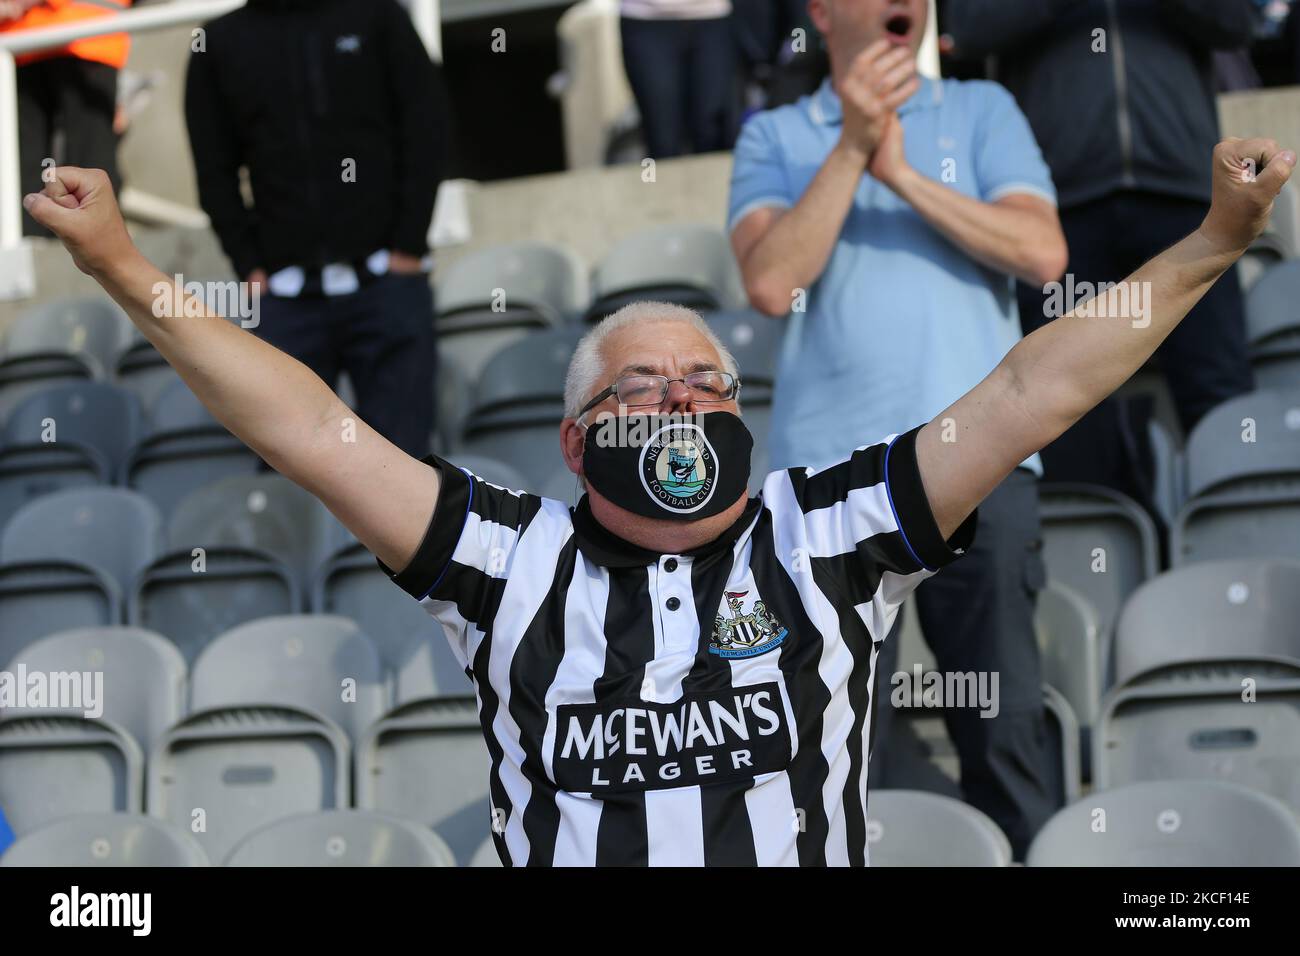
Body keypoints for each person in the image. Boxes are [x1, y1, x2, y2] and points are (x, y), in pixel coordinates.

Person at [25, 135, 1293, 865]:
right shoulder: (503, 556)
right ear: (578, 441)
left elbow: (1030, 389)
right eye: (650, 385)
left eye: (710, 382)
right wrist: (127, 266)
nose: (687, 404)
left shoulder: (830, 529)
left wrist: (1213, 239)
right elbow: (307, 424)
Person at [728, 0, 1067, 855]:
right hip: (828, 489)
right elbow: (771, 282)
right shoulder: (772, 134)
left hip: (980, 466)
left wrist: (903, 173)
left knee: (1005, 733)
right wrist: (850, 144)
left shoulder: (982, 110)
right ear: (822, 11)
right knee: (833, 749)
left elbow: (1043, 253)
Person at [946, 0, 1258, 513]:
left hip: (1185, 203)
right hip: (1058, 210)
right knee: (1062, 405)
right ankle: (1091, 564)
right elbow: (970, 29)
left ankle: (1242, 540)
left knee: (1218, 389)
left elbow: (1236, 22)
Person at [184, 0, 446, 458]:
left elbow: (426, 128)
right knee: (291, 468)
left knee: (406, 464)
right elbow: (213, 170)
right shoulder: (217, 43)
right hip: (284, 303)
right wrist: (250, 266)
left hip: (387, 285)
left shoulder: (377, 16)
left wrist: (407, 246)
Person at [1, 0, 132, 239]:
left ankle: (99, 249)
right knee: (23, 166)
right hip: (20, 43)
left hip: (85, 33)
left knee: (89, 163)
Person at [620, 0, 738, 158]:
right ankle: (650, 181)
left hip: (713, 17)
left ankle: (710, 183)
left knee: (712, 132)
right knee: (661, 138)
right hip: (644, 18)